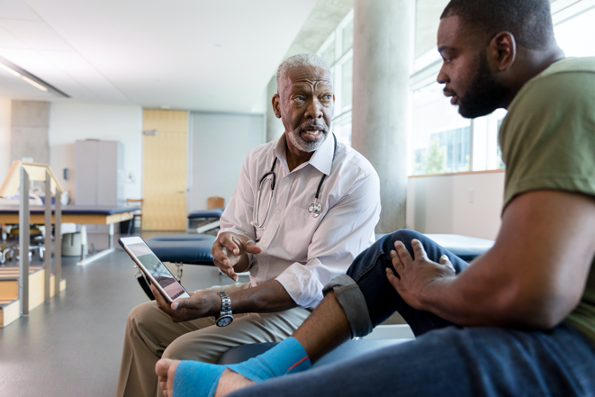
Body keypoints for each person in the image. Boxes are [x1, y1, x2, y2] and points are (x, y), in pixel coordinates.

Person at [154, 0, 595, 396]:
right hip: (560, 319)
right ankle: (265, 370)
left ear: (502, 50)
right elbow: (532, 270)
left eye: (449, 57)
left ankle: (252, 390)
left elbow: (536, 293)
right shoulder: (561, 91)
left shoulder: (553, 95)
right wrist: (235, 249)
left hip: (577, 345)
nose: (441, 73)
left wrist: (437, 288)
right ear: (278, 106)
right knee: (397, 249)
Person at [115, 53, 381, 397]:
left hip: (312, 314)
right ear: (277, 105)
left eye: (325, 97)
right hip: (257, 300)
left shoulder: (356, 177)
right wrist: (231, 250)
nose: (316, 109)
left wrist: (224, 301)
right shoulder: (259, 161)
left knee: (182, 352)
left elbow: (318, 283)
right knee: (142, 321)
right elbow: (238, 237)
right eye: (301, 97)